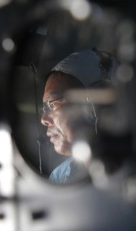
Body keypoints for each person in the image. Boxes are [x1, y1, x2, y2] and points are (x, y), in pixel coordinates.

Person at [40, 49, 116, 184]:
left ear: (96, 106)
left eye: (52, 105)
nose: (43, 120)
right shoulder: (58, 177)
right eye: (44, 108)